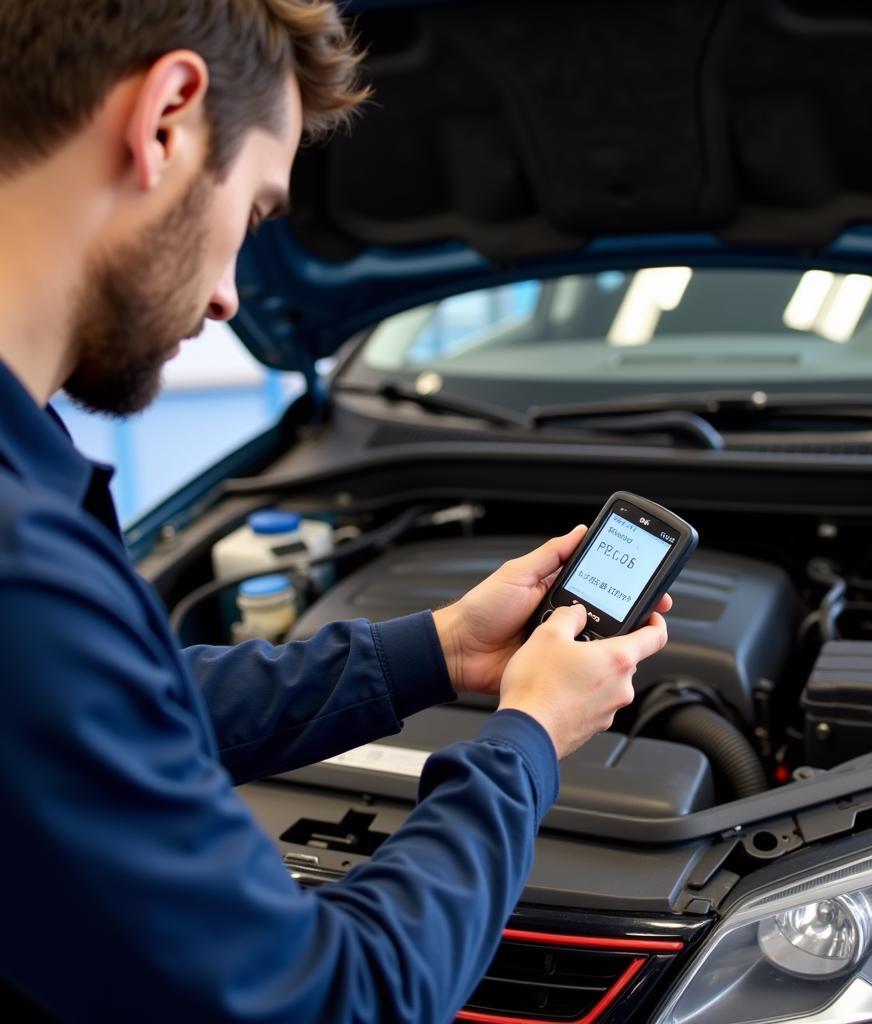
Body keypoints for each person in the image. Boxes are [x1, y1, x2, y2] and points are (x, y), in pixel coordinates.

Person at [0, 2, 672, 1021]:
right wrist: (527, 737)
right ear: (169, 117)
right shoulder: (22, 567)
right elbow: (342, 1001)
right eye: (259, 210)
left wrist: (437, 649)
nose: (230, 297)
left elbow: (124, 702)